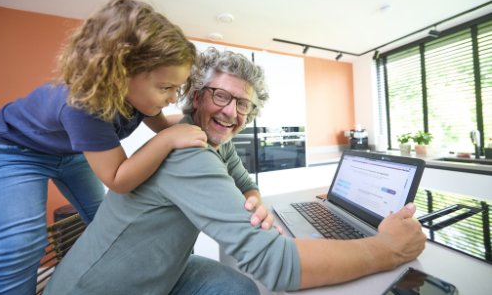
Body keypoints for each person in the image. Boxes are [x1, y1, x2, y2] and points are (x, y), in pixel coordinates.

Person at [44, 48, 426, 294]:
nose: (232, 113)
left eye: (244, 105)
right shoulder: (187, 152)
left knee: (238, 288)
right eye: (221, 96)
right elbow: (274, 264)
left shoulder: (216, 143)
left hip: (163, 270)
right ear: (196, 96)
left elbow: (246, 182)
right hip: (96, 287)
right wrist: (386, 248)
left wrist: (254, 200)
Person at [0, 0, 210, 295]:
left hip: (72, 152)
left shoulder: (140, 99)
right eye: (165, 88)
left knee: (109, 219)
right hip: (14, 150)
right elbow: (119, 178)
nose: (172, 97)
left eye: (176, 88)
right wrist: (167, 139)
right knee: (21, 243)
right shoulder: (82, 104)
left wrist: (202, 121)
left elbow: (163, 124)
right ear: (120, 75)